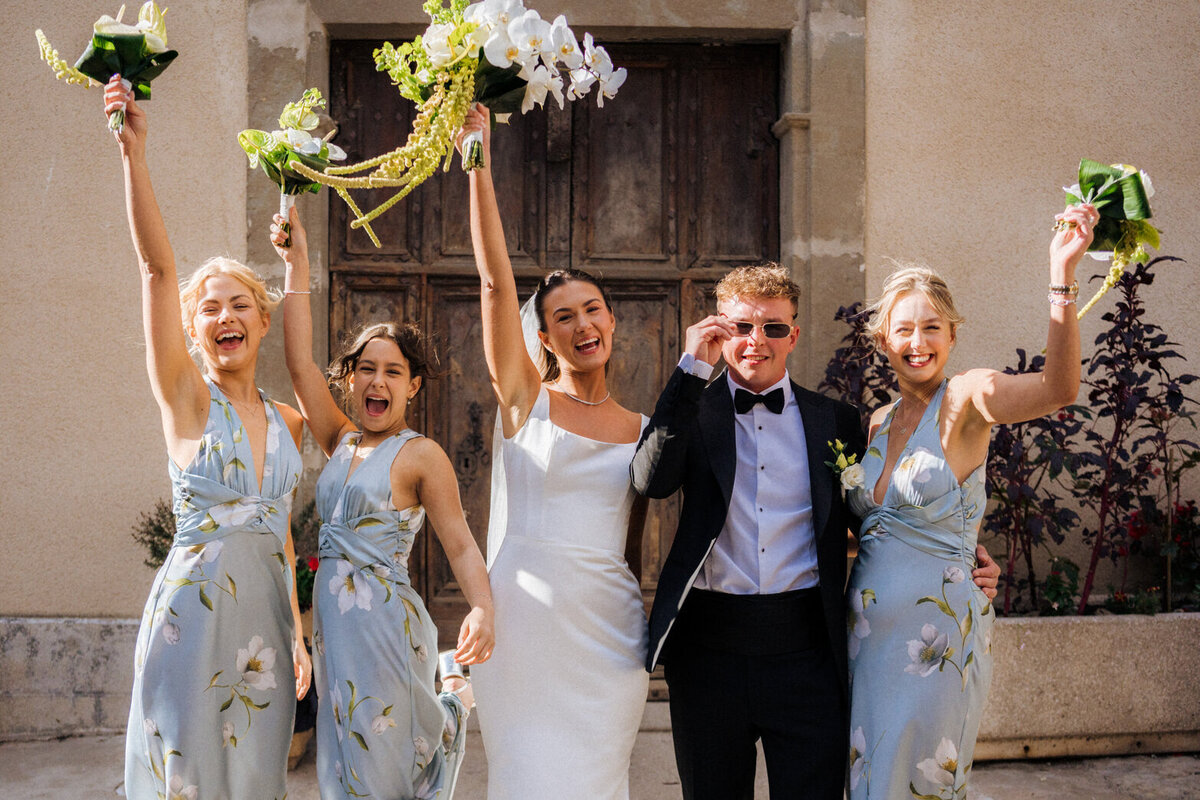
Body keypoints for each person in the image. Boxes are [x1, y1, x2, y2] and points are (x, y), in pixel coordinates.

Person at [631, 264, 1001, 799]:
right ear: (720, 330)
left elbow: (875, 520)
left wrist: (963, 557)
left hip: (806, 649)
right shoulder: (693, 410)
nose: (756, 341)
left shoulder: (836, 421)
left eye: (773, 328)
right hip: (708, 650)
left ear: (793, 336)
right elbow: (650, 480)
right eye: (741, 327)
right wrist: (690, 370)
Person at [843, 203, 1096, 799]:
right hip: (866, 644)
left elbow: (1058, 390)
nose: (918, 341)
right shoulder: (877, 423)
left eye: (932, 326)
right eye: (904, 328)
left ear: (954, 334)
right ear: (884, 339)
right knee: (869, 783)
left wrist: (1061, 272)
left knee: (923, 785)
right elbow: (876, 530)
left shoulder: (966, 398)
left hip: (938, 642)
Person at [106, 76, 311, 800]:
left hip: (264, 630)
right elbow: (159, 272)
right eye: (210, 310)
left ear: (261, 321)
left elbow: (283, 535)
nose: (224, 316)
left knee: (256, 779)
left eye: (240, 305)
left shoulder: (288, 421)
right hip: (189, 622)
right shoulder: (188, 402)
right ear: (195, 333)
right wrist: (135, 152)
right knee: (186, 779)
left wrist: (296, 628)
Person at [458, 104, 650, 800]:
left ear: (612, 321)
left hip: (610, 633)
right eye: (562, 317)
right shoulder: (524, 403)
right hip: (526, 627)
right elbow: (494, 286)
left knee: (600, 782)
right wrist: (477, 163)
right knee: (528, 778)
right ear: (543, 337)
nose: (581, 324)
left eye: (592, 310)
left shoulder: (644, 428)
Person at [272, 207, 495, 799]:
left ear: (412, 386)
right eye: (366, 369)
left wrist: (482, 608)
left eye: (393, 372)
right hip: (334, 632)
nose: (378, 381)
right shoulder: (341, 440)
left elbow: (460, 543)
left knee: (382, 761)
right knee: (342, 760)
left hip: (384, 629)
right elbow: (298, 364)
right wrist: (297, 263)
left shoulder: (420, 455)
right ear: (349, 379)